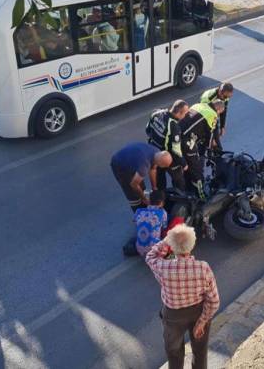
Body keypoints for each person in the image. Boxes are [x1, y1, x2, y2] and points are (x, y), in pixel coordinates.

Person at [146, 224, 220, 369]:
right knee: (200, 351)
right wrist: (202, 321)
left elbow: (151, 256)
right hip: (198, 312)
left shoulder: (163, 267)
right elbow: (214, 301)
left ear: (172, 247)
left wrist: (167, 240)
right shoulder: (203, 268)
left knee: (174, 352)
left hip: (172, 315)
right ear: (192, 245)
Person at [178, 101, 226, 199]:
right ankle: (202, 197)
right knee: (197, 171)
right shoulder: (212, 114)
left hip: (177, 133)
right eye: (219, 113)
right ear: (218, 110)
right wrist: (209, 152)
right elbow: (211, 135)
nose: (218, 115)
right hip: (187, 141)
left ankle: (187, 188)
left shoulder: (199, 104)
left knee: (187, 166)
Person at [110, 142, 173, 212]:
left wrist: (154, 187)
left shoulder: (157, 153)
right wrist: (144, 198)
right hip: (120, 165)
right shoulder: (144, 165)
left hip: (132, 160)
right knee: (133, 194)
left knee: (142, 189)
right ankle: (138, 214)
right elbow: (134, 184)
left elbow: (153, 169)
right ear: (159, 163)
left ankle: (145, 207)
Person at [146, 100, 190, 191]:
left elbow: (147, 130)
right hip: (167, 156)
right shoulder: (174, 126)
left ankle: (162, 198)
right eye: (185, 113)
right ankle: (180, 199)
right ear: (179, 113)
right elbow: (176, 150)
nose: (185, 116)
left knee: (159, 179)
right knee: (179, 181)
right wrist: (184, 164)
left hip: (153, 153)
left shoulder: (156, 113)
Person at [134, 190, 168, 257]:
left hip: (139, 249)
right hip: (155, 250)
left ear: (149, 200)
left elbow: (136, 223)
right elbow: (164, 227)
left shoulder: (138, 211)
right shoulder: (162, 213)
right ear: (162, 202)